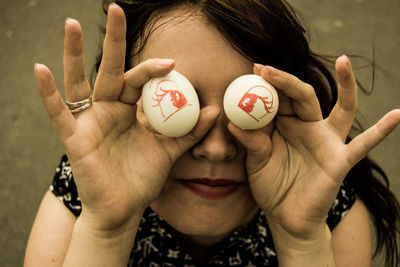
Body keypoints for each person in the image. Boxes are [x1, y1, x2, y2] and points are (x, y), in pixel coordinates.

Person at [24, 0, 400, 266]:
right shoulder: (85, 195)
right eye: (177, 107)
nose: (217, 149)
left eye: (251, 108)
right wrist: (106, 233)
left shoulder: (326, 208)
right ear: (128, 104)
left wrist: (301, 243)